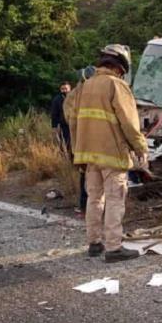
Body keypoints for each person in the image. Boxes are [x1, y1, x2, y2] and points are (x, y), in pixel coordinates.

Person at [69, 45, 147, 262]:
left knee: (94, 198)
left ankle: (94, 244)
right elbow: (129, 123)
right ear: (121, 66)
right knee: (114, 199)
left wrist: (77, 151)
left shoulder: (85, 86)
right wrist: (140, 147)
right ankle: (114, 247)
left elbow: (72, 119)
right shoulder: (117, 85)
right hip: (112, 154)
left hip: (88, 154)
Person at [64, 67, 95, 214]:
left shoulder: (76, 95)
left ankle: (87, 206)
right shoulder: (76, 96)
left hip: (84, 143)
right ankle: (85, 206)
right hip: (84, 142)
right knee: (87, 174)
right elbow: (72, 120)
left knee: (88, 174)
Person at [50, 82, 72, 154]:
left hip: (74, 124)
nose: (64, 90)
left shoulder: (74, 98)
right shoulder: (57, 100)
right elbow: (54, 114)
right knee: (65, 142)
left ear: (70, 88)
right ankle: (67, 158)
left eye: (66, 88)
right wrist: (54, 126)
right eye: (62, 89)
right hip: (63, 125)